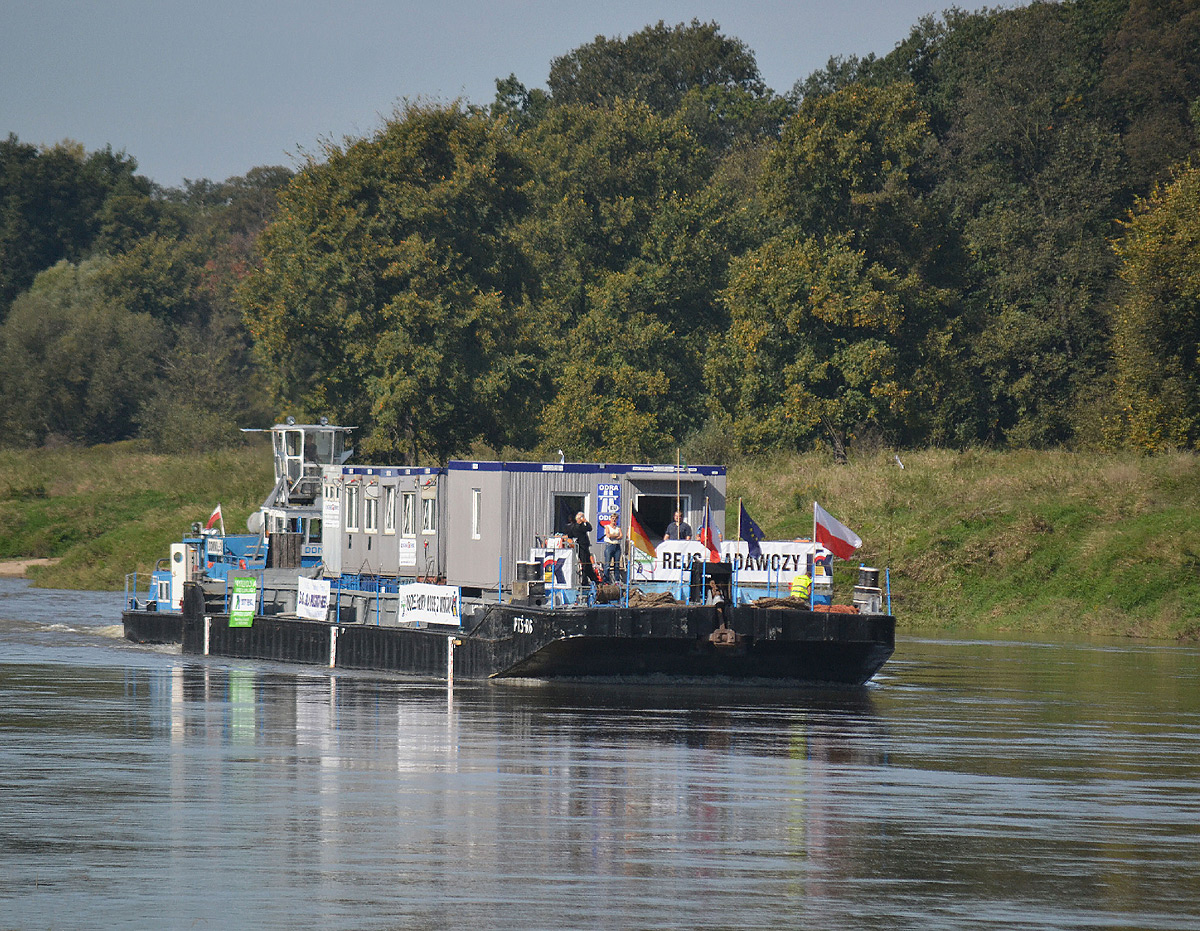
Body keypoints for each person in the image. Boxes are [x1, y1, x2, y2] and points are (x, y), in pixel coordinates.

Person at [564, 511, 599, 588]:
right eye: (582, 517)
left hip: (584, 546)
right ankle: (584, 580)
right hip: (581, 546)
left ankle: (593, 578)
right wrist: (585, 521)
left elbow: (570, 535)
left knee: (588, 563)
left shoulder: (576, 526)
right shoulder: (579, 526)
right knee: (585, 563)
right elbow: (589, 528)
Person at [603, 514, 623, 582]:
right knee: (607, 564)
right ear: (610, 519)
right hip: (609, 545)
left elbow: (621, 536)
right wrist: (616, 535)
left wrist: (614, 536)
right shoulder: (607, 527)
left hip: (617, 546)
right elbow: (608, 535)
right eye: (612, 518)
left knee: (616, 564)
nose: (614, 520)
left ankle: (617, 580)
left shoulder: (618, 528)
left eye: (615, 518)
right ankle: (606, 580)